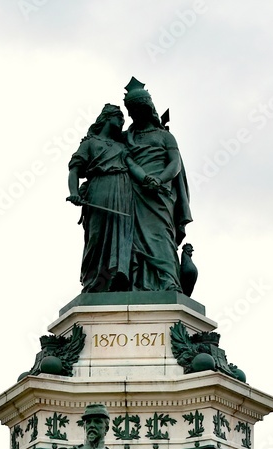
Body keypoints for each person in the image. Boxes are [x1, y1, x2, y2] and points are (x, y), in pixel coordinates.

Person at [122, 78, 192, 291]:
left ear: (149, 108)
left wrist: (159, 180)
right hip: (133, 192)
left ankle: (168, 280)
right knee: (132, 238)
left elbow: (175, 164)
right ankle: (135, 282)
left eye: (140, 108)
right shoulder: (126, 137)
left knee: (160, 234)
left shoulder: (165, 136)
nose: (137, 113)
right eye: (133, 110)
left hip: (160, 194)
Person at [67, 104, 134, 292]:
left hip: (123, 190)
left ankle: (116, 276)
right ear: (107, 118)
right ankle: (93, 281)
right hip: (98, 189)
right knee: (96, 237)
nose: (122, 121)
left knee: (120, 233)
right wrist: (73, 192)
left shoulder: (122, 146)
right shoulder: (90, 143)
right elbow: (75, 170)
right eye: (119, 117)